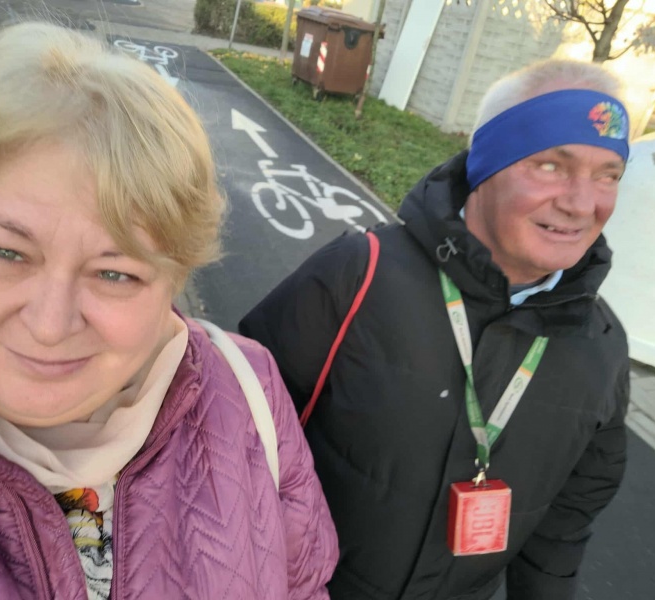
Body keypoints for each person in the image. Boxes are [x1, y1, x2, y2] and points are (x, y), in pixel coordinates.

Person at [0, 21, 337, 599]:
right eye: (4, 252)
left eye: (115, 273)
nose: (49, 325)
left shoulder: (250, 391)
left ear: (174, 282)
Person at [240, 59, 631, 600]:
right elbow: (228, 441)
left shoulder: (602, 346)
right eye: (550, 165)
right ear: (487, 165)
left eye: (608, 174)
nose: (582, 203)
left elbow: (562, 530)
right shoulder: (358, 276)